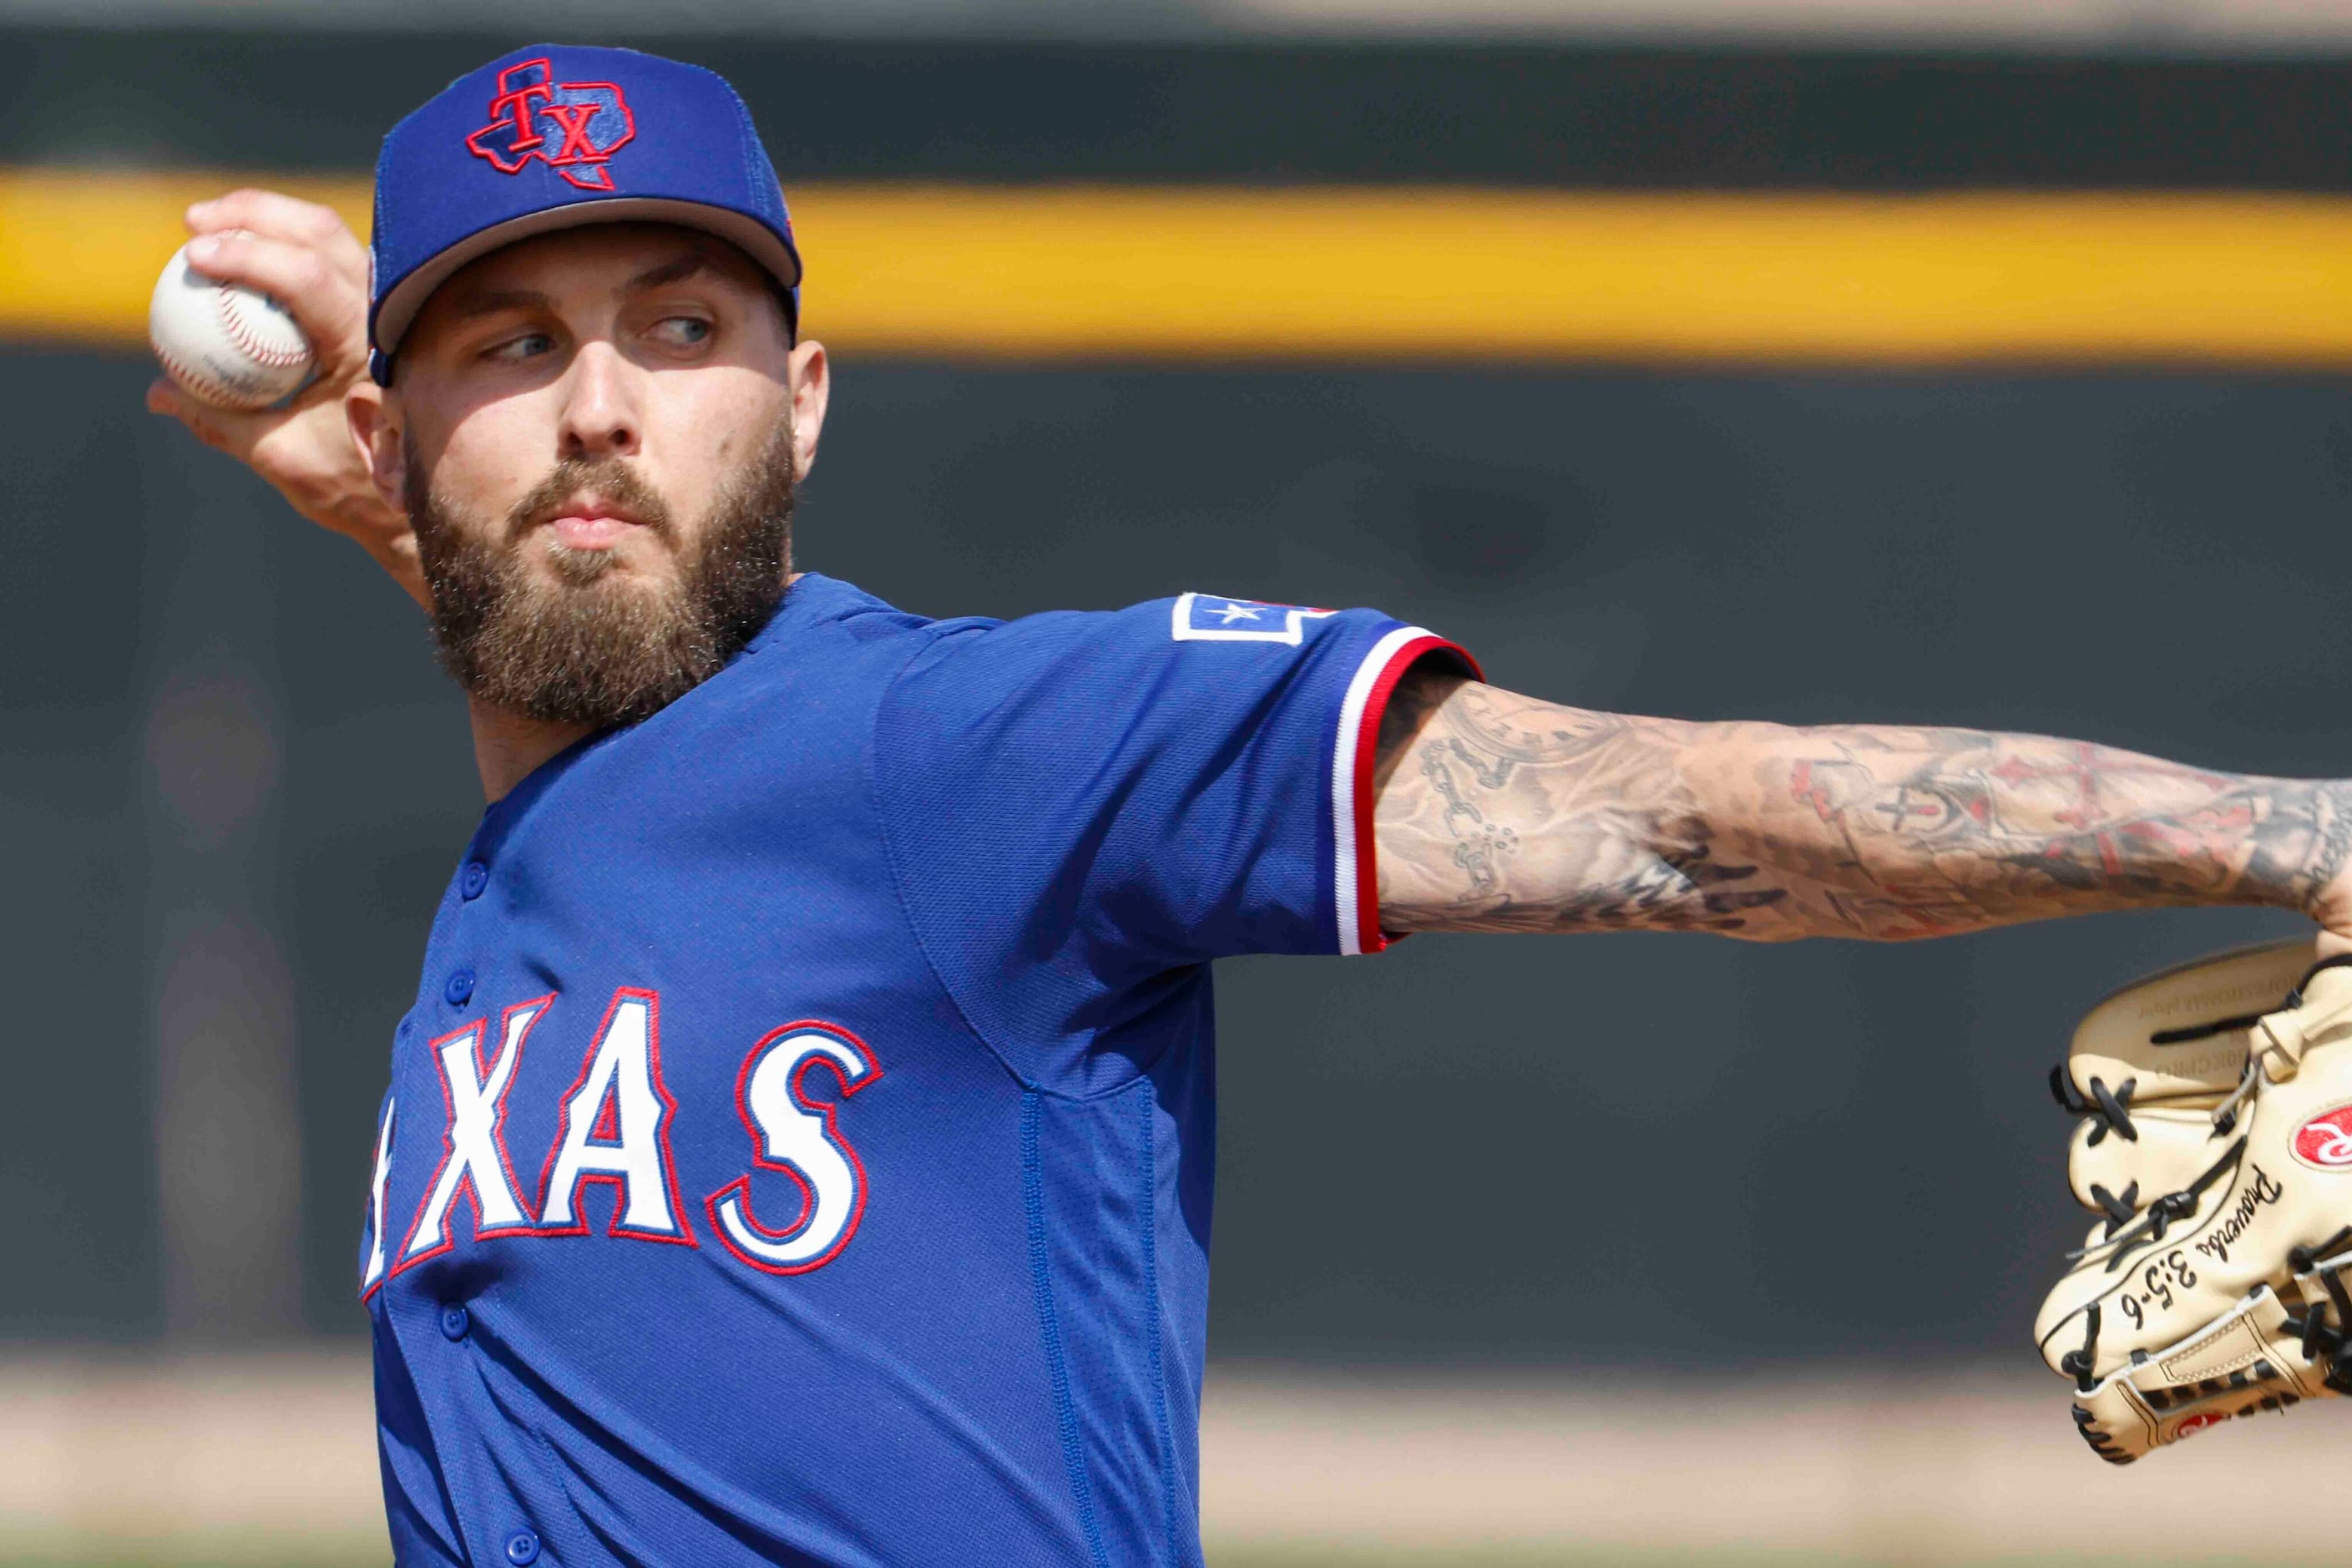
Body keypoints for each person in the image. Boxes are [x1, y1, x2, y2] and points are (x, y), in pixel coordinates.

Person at [150, 43, 2352, 1568]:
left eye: (680, 324)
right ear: (399, 426)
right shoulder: (555, 836)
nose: (604, 403)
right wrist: (434, 525)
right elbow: (564, 633)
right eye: (511, 347)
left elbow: (1666, 815)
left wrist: (2301, 840)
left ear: (801, 405)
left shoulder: (967, 757)